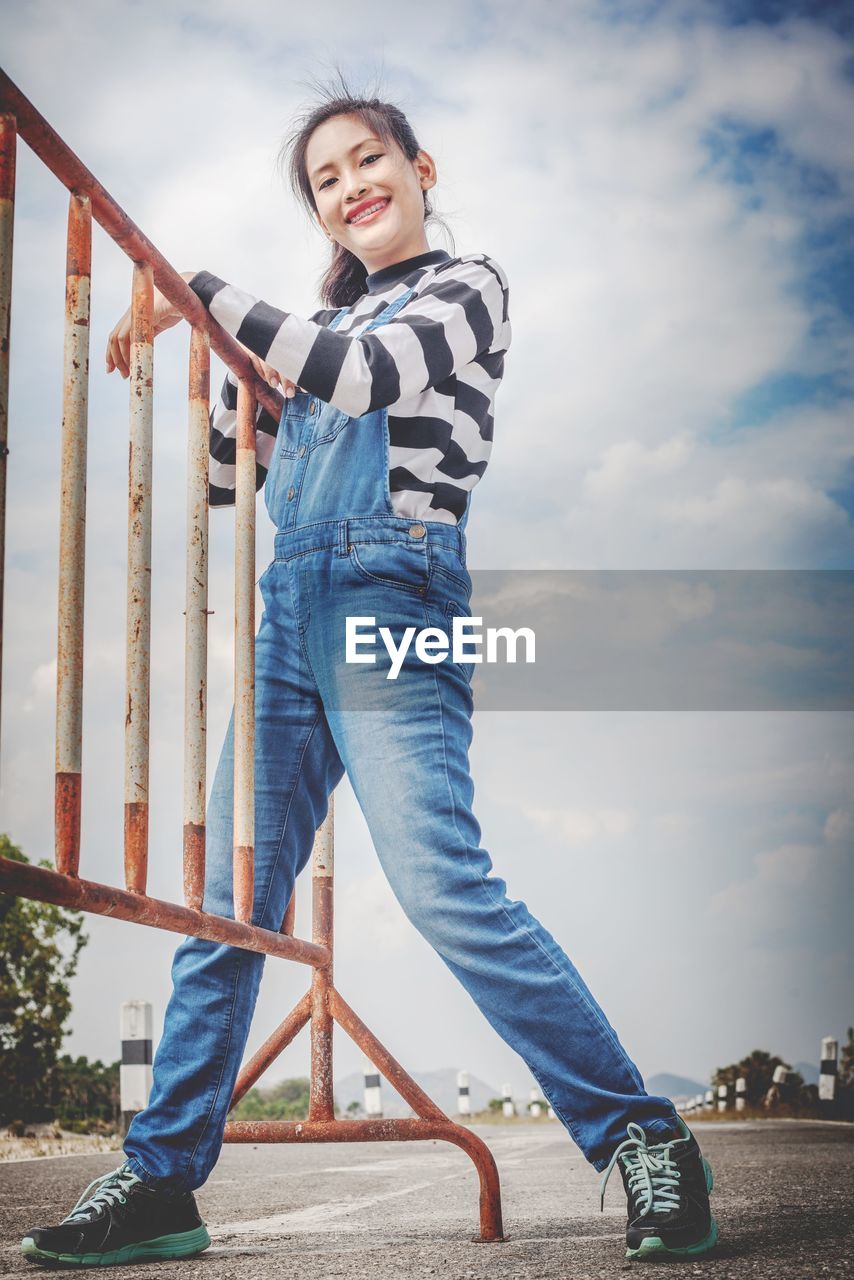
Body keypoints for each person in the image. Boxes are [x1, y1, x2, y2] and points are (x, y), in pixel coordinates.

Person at [21, 74, 717, 1267]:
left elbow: (369, 377)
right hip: (291, 607)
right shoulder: (314, 336)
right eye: (324, 179)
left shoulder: (464, 290)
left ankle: (640, 1131)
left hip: (394, 595)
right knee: (226, 906)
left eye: (364, 159)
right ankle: (159, 1180)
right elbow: (245, 483)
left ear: (419, 168)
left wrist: (195, 292)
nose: (349, 186)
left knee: (442, 881)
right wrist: (225, 410)